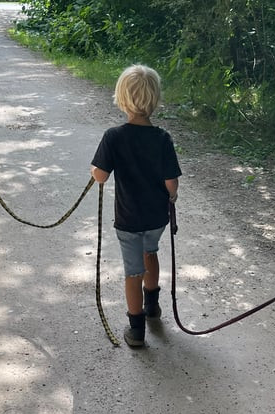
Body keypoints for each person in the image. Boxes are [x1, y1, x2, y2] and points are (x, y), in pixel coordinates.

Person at [90, 64, 182, 347]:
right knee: (150, 253)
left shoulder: (113, 137)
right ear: (155, 100)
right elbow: (171, 184)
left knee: (132, 272)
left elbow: (101, 176)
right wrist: (173, 196)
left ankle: (136, 329)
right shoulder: (162, 138)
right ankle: (153, 306)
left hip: (128, 219)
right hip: (156, 218)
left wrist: (95, 171)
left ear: (122, 99)